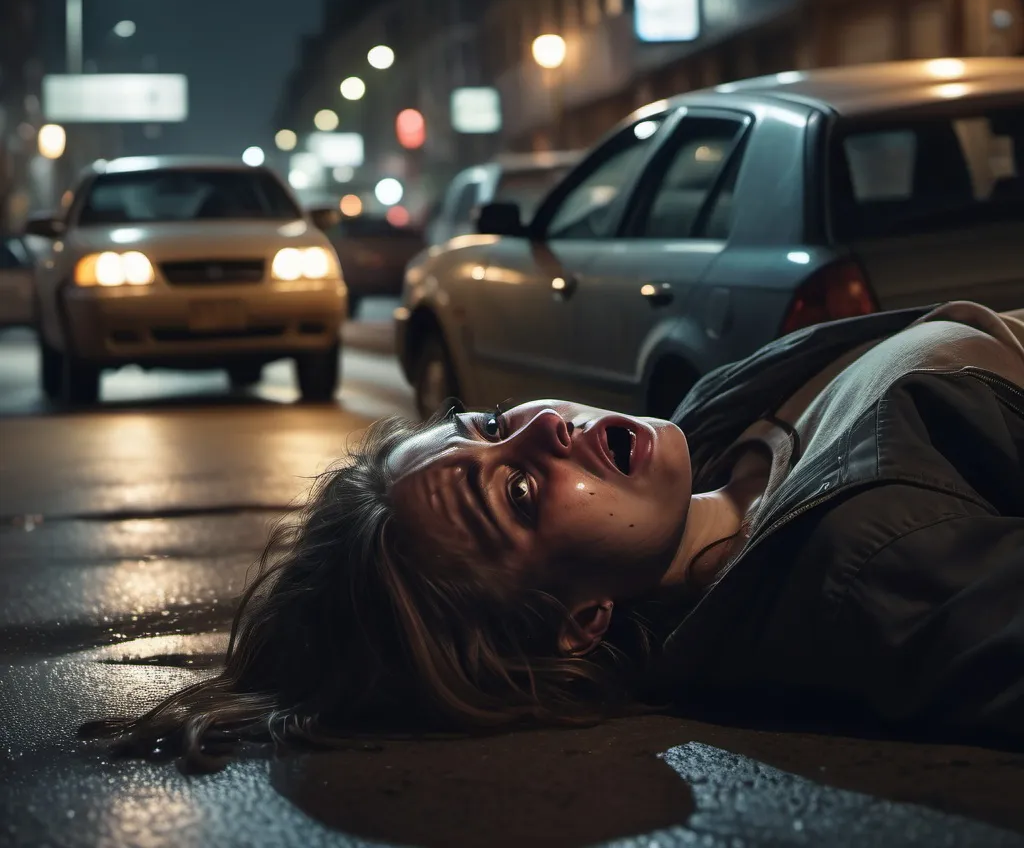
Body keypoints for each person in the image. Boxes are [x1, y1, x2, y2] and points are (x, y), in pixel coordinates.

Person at [84, 301, 1024, 768]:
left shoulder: (707, 423)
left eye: (491, 423)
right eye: (524, 490)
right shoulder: (872, 577)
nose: (542, 429)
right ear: (580, 624)